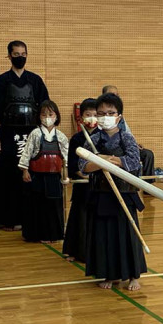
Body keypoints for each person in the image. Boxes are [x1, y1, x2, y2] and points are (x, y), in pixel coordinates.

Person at [78, 93, 146, 291]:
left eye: (110, 113)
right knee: (104, 235)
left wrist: (107, 160)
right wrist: (99, 163)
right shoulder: (93, 139)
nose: (105, 116)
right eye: (101, 113)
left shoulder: (127, 138)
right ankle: (110, 274)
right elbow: (84, 166)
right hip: (101, 194)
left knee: (128, 234)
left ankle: (133, 275)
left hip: (124, 193)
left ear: (119, 116)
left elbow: (134, 163)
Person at [0, 40, 50, 231]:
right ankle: (6, 218)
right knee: (6, 176)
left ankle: (29, 216)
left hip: (31, 133)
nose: (20, 57)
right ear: (9, 56)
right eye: (16, 54)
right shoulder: (1, 81)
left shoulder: (35, 81)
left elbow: (46, 109)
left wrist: (45, 134)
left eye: (23, 54)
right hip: (7, 134)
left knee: (29, 175)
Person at [19, 100, 69, 242]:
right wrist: (25, 171)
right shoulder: (35, 134)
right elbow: (26, 153)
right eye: (44, 114)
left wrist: (66, 176)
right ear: (39, 116)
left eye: (50, 114)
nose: (47, 117)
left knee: (54, 206)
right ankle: (37, 235)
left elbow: (66, 158)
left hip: (54, 177)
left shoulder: (61, 136)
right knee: (38, 206)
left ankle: (54, 235)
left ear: (56, 116)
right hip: (37, 176)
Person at [62, 98, 98, 262]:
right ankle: (76, 251)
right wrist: (85, 175)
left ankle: (95, 252)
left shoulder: (103, 136)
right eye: (88, 114)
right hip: (83, 186)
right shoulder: (76, 139)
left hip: (99, 185)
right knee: (80, 217)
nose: (92, 118)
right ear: (81, 118)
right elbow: (74, 165)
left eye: (95, 114)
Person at [102, 85, 155, 181]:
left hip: (125, 146)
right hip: (113, 149)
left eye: (117, 95)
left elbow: (127, 132)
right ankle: (130, 181)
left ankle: (148, 186)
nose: (115, 97)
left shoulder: (119, 115)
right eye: (112, 94)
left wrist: (134, 143)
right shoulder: (102, 115)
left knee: (147, 154)